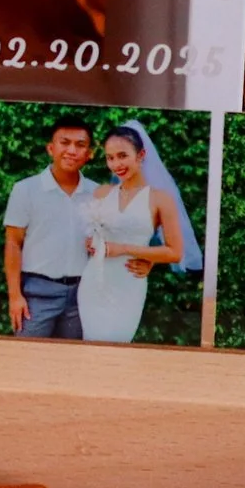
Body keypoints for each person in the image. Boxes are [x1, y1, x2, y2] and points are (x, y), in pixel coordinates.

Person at [74, 122, 198, 344]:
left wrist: (132, 252)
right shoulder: (102, 192)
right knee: (90, 346)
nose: (116, 164)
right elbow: (91, 234)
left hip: (129, 283)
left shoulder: (160, 199)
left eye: (122, 156)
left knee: (117, 347)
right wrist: (92, 243)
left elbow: (175, 252)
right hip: (94, 281)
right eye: (110, 158)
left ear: (141, 155)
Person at [2, 117, 96, 338]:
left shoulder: (97, 193)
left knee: (71, 365)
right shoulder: (26, 189)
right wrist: (15, 296)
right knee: (28, 361)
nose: (72, 150)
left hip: (82, 297)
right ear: (50, 148)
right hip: (37, 295)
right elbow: (13, 243)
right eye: (65, 142)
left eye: (80, 145)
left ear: (89, 153)